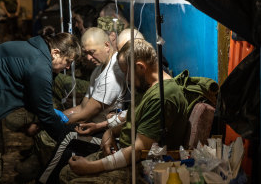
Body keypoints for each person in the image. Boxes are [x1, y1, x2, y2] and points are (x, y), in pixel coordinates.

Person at [0, 32, 81, 183]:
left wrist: (45, 114)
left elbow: (35, 100)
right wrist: (67, 140)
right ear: (56, 53)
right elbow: (46, 116)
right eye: (68, 61)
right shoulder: (39, 66)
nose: (68, 66)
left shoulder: (38, 51)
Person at [59, 39, 189, 184]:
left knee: (73, 180)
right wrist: (110, 132)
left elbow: (140, 149)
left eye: (127, 73)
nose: (127, 80)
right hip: (125, 152)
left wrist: (90, 167)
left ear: (140, 67)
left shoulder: (162, 97)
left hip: (142, 164)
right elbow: (135, 118)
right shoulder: (147, 86)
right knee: (66, 172)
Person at [15, 27, 127, 183]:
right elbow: (81, 108)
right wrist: (50, 119)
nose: (88, 57)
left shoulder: (112, 75)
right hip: (93, 126)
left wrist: (46, 122)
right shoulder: (99, 70)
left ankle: (43, 180)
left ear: (107, 46)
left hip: (108, 134)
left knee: (68, 135)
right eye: (86, 53)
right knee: (63, 136)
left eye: (92, 52)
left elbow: (86, 113)